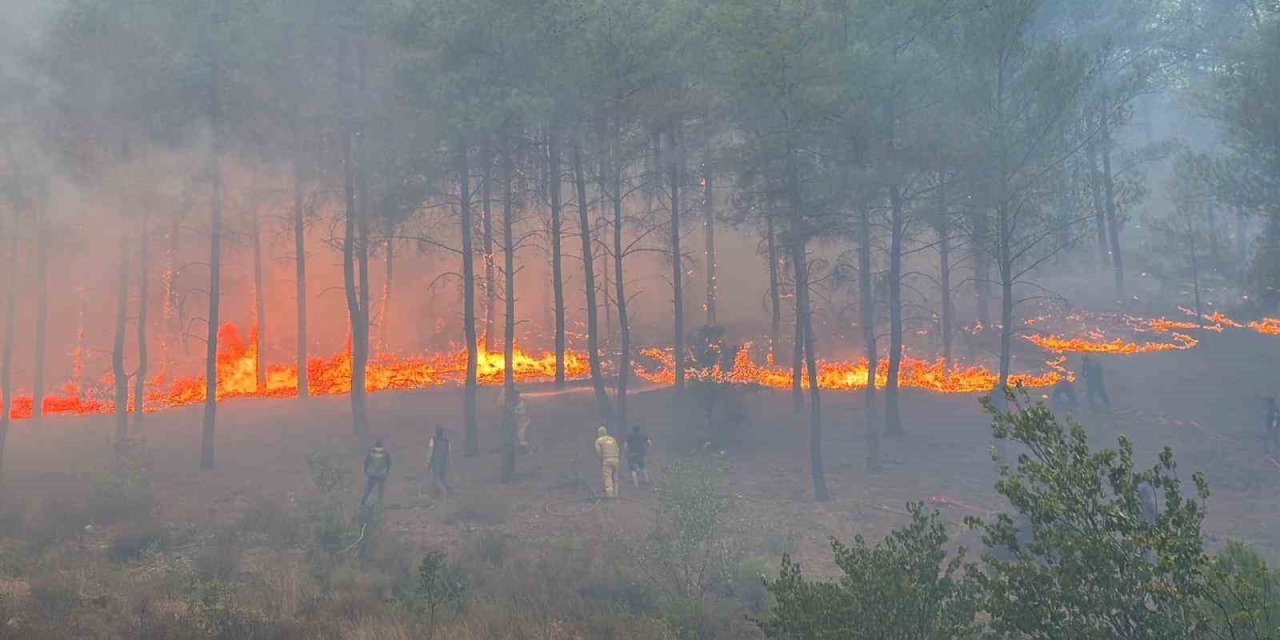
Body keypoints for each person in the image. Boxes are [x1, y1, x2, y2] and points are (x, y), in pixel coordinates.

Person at [360, 439, 391, 508]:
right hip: (381, 474)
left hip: (372, 474)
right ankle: (379, 504)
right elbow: (388, 463)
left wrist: (366, 471)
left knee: (368, 489)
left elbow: (366, 462)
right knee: (380, 491)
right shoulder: (385, 453)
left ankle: (363, 502)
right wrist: (386, 471)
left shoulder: (371, 452)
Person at [594, 425, 620, 498]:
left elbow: (599, 452)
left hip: (607, 460)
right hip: (616, 459)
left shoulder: (598, 441)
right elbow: (617, 449)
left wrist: (601, 459)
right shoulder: (612, 439)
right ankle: (617, 493)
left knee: (608, 477)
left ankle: (609, 495)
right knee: (615, 476)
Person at [426, 426, 451, 496]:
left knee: (436, 478)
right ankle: (445, 491)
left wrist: (428, 463)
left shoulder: (433, 440)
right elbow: (448, 454)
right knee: (443, 479)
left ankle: (443, 492)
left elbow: (430, 452)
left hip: (435, 462)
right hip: (444, 462)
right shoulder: (446, 441)